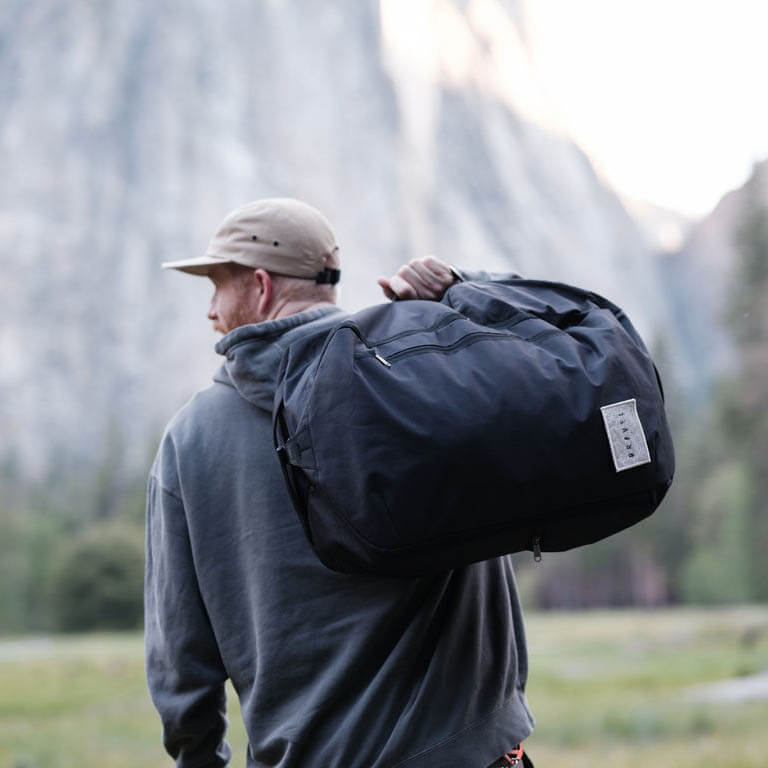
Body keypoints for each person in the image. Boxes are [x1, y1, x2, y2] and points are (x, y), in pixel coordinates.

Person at [145, 197, 535, 768]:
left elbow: (181, 667)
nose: (210, 310)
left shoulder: (189, 442)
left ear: (259, 286)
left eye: (217, 285)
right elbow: (545, 355)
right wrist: (462, 292)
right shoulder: (422, 376)